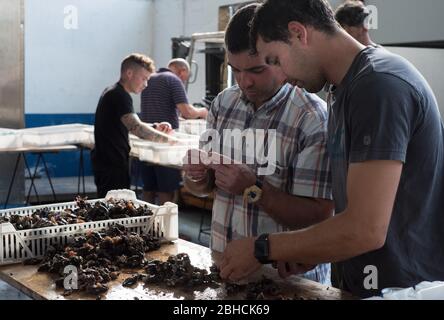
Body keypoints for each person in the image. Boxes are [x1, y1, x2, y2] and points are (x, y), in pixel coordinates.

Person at [219, 0, 444, 298]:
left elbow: (365, 229)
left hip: (401, 289)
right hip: (363, 284)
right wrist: (312, 250)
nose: (281, 75)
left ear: (299, 33)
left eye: (274, 60)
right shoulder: (343, 89)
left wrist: (263, 247)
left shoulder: (378, 86)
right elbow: (351, 215)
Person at [183, 3, 334, 285]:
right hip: (225, 267)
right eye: (235, 70)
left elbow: (319, 217)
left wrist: (253, 188)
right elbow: (203, 188)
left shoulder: (311, 118)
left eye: (255, 70)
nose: (244, 82)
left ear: (279, 57)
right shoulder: (223, 104)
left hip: (286, 282)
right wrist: (197, 175)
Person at [92, 53, 175, 198]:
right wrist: (171, 142)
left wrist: (155, 127)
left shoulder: (112, 92)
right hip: (111, 165)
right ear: (129, 73)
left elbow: (127, 123)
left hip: (108, 162)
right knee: (114, 213)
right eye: (144, 78)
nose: (146, 84)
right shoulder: (119, 96)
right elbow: (137, 128)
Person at [140, 58, 208, 205]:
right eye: (186, 77)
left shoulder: (149, 79)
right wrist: (205, 112)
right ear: (182, 71)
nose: (184, 81)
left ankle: (147, 225)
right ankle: (165, 226)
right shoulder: (173, 80)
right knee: (166, 190)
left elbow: (159, 109)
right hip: (164, 144)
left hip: (146, 143)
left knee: (149, 189)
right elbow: (188, 112)